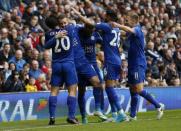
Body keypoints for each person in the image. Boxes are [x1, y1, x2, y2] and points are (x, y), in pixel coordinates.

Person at [72, 8, 128, 122]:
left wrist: (78, 14)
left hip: (104, 62)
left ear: (108, 17)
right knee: (85, 89)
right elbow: (123, 34)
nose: (91, 29)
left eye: (105, 15)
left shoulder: (104, 28)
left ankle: (113, 112)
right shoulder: (114, 29)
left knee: (104, 86)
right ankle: (86, 116)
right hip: (83, 64)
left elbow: (92, 24)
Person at [111, 12, 165, 120]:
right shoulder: (132, 32)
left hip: (138, 63)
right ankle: (133, 115)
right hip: (132, 63)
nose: (126, 21)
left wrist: (118, 25)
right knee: (132, 90)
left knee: (139, 89)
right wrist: (111, 30)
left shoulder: (138, 30)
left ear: (134, 20)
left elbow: (128, 30)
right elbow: (123, 33)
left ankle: (158, 106)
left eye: (128, 20)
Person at [57, 14, 107, 124]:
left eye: (65, 23)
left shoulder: (80, 29)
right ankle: (82, 116)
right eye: (62, 24)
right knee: (80, 91)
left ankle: (99, 109)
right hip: (75, 64)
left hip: (87, 63)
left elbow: (93, 28)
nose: (64, 25)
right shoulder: (66, 33)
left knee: (98, 84)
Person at [45, 16, 79, 125]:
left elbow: (46, 46)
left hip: (56, 65)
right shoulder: (70, 30)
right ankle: (71, 116)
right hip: (69, 64)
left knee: (54, 91)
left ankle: (52, 117)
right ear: (60, 23)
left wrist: (56, 37)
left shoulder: (49, 34)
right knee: (72, 90)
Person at [78, 25, 105, 124]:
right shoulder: (79, 33)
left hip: (93, 63)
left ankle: (98, 109)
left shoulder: (95, 34)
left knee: (100, 85)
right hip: (82, 64)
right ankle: (84, 116)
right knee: (81, 91)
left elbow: (102, 42)